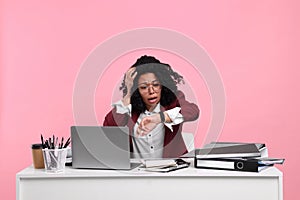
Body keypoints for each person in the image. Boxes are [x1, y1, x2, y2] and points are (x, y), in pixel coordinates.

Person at [104, 55, 199, 158]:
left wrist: (159, 118)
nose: (151, 91)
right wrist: (128, 94)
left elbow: (193, 111)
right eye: (144, 87)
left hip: (172, 170)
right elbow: (109, 127)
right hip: (138, 172)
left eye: (156, 85)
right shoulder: (131, 109)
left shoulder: (173, 101)